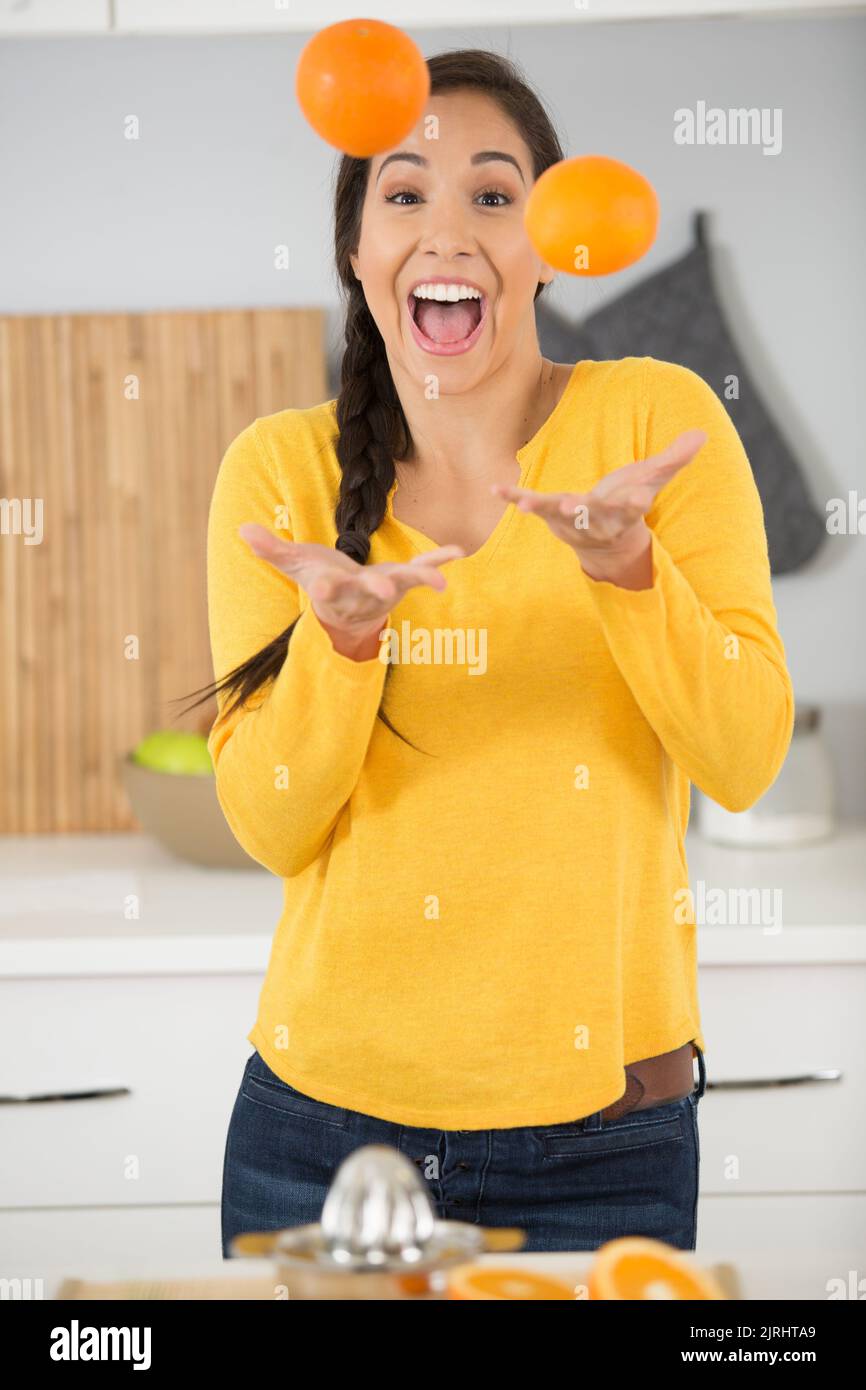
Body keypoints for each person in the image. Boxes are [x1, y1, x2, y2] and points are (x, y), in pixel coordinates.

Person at [187, 50, 793, 1256]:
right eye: (402, 193)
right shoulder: (280, 473)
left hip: (609, 1136)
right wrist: (341, 649)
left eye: (494, 194)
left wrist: (630, 575)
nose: (446, 230)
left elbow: (741, 758)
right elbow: (266, 824)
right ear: (357, 249)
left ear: (551, 239)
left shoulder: (654, 424)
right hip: (321, 1141)